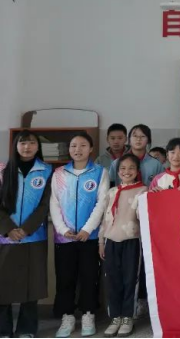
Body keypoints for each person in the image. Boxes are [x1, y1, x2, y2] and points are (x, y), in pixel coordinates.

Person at [51, 132, 109, 338]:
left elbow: (102, 203)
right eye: (74, 145)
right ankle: (67, 316)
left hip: (89, 238)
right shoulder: (59, 173)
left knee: (89, 277)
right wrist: (62, 229)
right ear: (69, 149)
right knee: (65, 278)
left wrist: (87, 229)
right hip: (64, 238)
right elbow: (54, 203)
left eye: (83, 145)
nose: (78, 149)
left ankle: (88, 314)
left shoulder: (100, 172)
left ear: (91, 149)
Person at [0, 130, 53, 339]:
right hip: (5, 238)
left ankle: (26, 329)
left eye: (31, 143)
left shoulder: (47, 171)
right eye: (22, 143)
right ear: (15, 146)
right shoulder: (3, 170)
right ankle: (3, 330)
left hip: (34, 237)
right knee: (3, 286)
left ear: (38, 146)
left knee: (32, 286)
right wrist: (8, 228)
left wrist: (26, 229)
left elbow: (45, 204)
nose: (27, 147)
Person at [99, 154, 146, 338]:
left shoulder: (143, 191)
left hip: (132, 241)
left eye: (131, 168)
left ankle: (128, 317)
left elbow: (144, 216)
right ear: (117, 172)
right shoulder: (111, 192)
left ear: (137, 171)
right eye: (123, 168)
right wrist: (101, 242)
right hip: (111, 241)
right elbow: (105, 219)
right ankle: (115, 317)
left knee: (130, 280)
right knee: (113, 280)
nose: (127, 171)